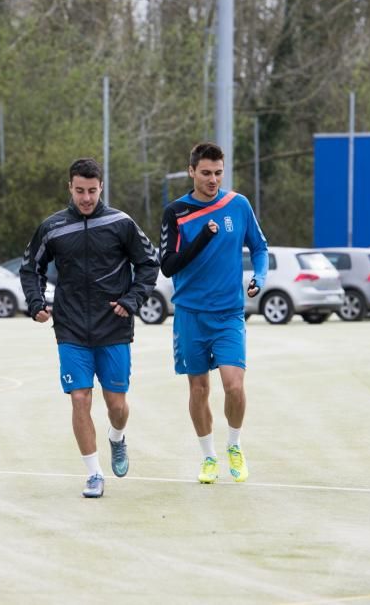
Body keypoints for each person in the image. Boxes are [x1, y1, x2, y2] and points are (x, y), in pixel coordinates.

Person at [20, 158, 159, 498]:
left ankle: (116, 437)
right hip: (70, 328)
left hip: (113, 326)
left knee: (117, 406)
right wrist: (37, 303)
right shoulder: (52, 227)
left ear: (101, 188)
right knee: (80, 398)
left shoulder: (120, 223)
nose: (86, 198)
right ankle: (94, 473)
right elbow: (30, 268)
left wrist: (131, 301)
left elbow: (148, 263)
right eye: (80, 191)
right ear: (70, 187)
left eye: (92, 191)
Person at [159, 142, 267, 485]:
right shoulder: (176, 212)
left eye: (218, 173)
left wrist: (258, 277)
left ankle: (234, 445)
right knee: (199, 389)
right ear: (191, 171)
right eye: (206, 173)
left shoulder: (238, 205)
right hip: (190, 314)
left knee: (234, 386)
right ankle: (208, 456)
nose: (213, 179)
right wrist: (203, 237)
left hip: (229, 313)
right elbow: (168, 265)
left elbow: (260, 248)